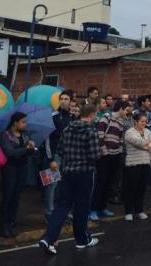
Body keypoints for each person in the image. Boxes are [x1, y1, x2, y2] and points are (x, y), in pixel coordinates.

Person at [38, 105, 101, 255]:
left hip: (67, 171)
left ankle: (48, 238)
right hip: (85, 172)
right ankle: (82, 239)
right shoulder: (91, 131)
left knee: (62, 206)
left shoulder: (67, 129)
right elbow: (94, 155)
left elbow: (60, 150)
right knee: (82, 206)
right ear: (92, 115)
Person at [0, 112, 36, 238]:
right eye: (23, 122)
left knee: (16, 196)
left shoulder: (25, 135)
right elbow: (10, 153)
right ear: (15, 123)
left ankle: (12, 221)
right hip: (10, 169)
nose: (25, 124)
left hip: (22, 169)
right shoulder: (5, 135)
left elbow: (29, 153)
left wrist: (32, 148)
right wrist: (27, 149)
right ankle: (4, 224)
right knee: (8, 196)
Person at [90, 100, 129, 221]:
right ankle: (93, 209)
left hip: (115, 155)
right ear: (121, 109)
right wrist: (105, 151)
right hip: (104, 156)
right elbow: (99, 135)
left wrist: (119, 150)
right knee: (100, 183)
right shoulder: (105, 118)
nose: (127, 112)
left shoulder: (121, 122)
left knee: (109, 183)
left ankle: (102, 207)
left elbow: (120, 139)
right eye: (126, 109)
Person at [41, 90, 75, 222]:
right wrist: (50, 159)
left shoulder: (72, 117)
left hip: (68, 157)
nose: (63, 101)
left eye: (66, 99)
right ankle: (49, 213)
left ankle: (63, 212)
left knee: (64, 185)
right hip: (54, 156)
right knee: (51, 185)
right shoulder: (53, 115)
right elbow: (47, 138)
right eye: (62, 99)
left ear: (71, 101)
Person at [122, 113, 151, 221]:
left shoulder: (148, 131)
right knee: (131, 188)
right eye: (142, 121)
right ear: (135, 122)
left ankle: (139, 210)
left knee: (142, 188)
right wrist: (147, 144)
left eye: (145, 121)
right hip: (133, 164)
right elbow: (138, 142)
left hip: (145, 163)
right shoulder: (129, 132)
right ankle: (128, 212)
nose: (144, 123)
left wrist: (148, 145)